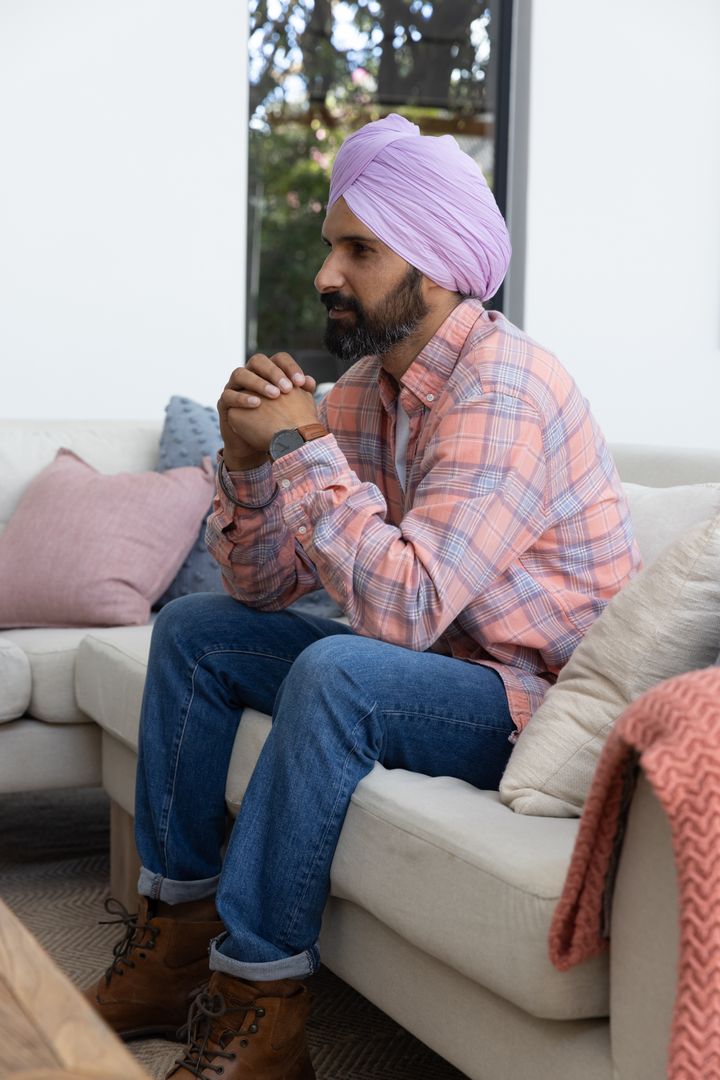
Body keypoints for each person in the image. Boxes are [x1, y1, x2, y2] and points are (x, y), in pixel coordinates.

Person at [84, 114, 640, 1079]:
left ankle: (263, 1005)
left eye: (359, 250)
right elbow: (257, 587)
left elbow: (404, 609)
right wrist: (250, 461)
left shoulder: (504, 388)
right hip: (438, 671)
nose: (325, 275)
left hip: (537, 703)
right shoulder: (364, 392)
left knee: (340, 669)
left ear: (433, 262)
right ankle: (173, 943)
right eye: (332, 246)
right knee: (196, 630)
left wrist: (301, 451)